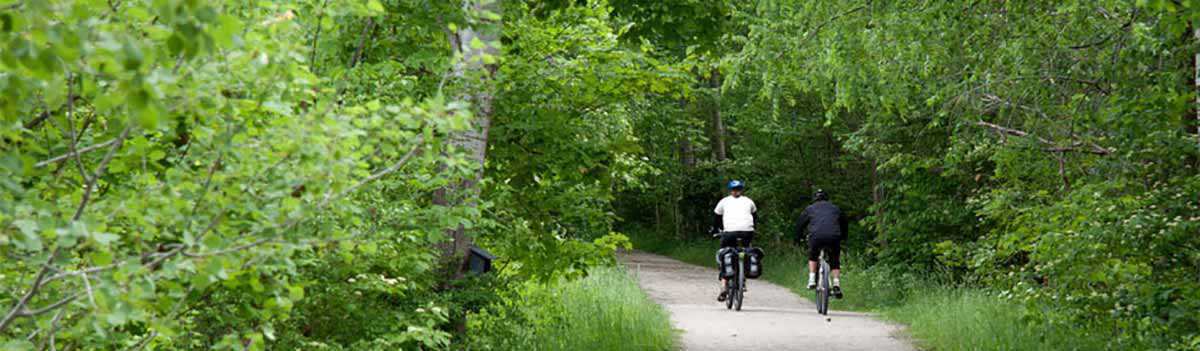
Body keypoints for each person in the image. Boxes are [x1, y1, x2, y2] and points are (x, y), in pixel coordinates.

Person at [795, 189, 847, 299]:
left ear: (815, 199)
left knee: (813, 255)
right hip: (834, 237)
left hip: (816, 237)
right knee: (834, 260)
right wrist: (843, 237)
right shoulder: (835, 208)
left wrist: (798, 238)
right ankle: (836, 284)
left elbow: (800, 224)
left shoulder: (810, 209)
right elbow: (844, 223)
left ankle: (812, 279)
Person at [711, 180, 757, 302]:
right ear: (741, 190)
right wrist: (753, 229)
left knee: (724, 253)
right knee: (747, 249)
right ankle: (743, 278)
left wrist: (716, 230)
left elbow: (716, 218)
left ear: (730, 190)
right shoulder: (749, 201)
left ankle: (723, 286)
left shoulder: (724, 201)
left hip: (729, 233)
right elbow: (754, 216)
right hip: (747, 232)